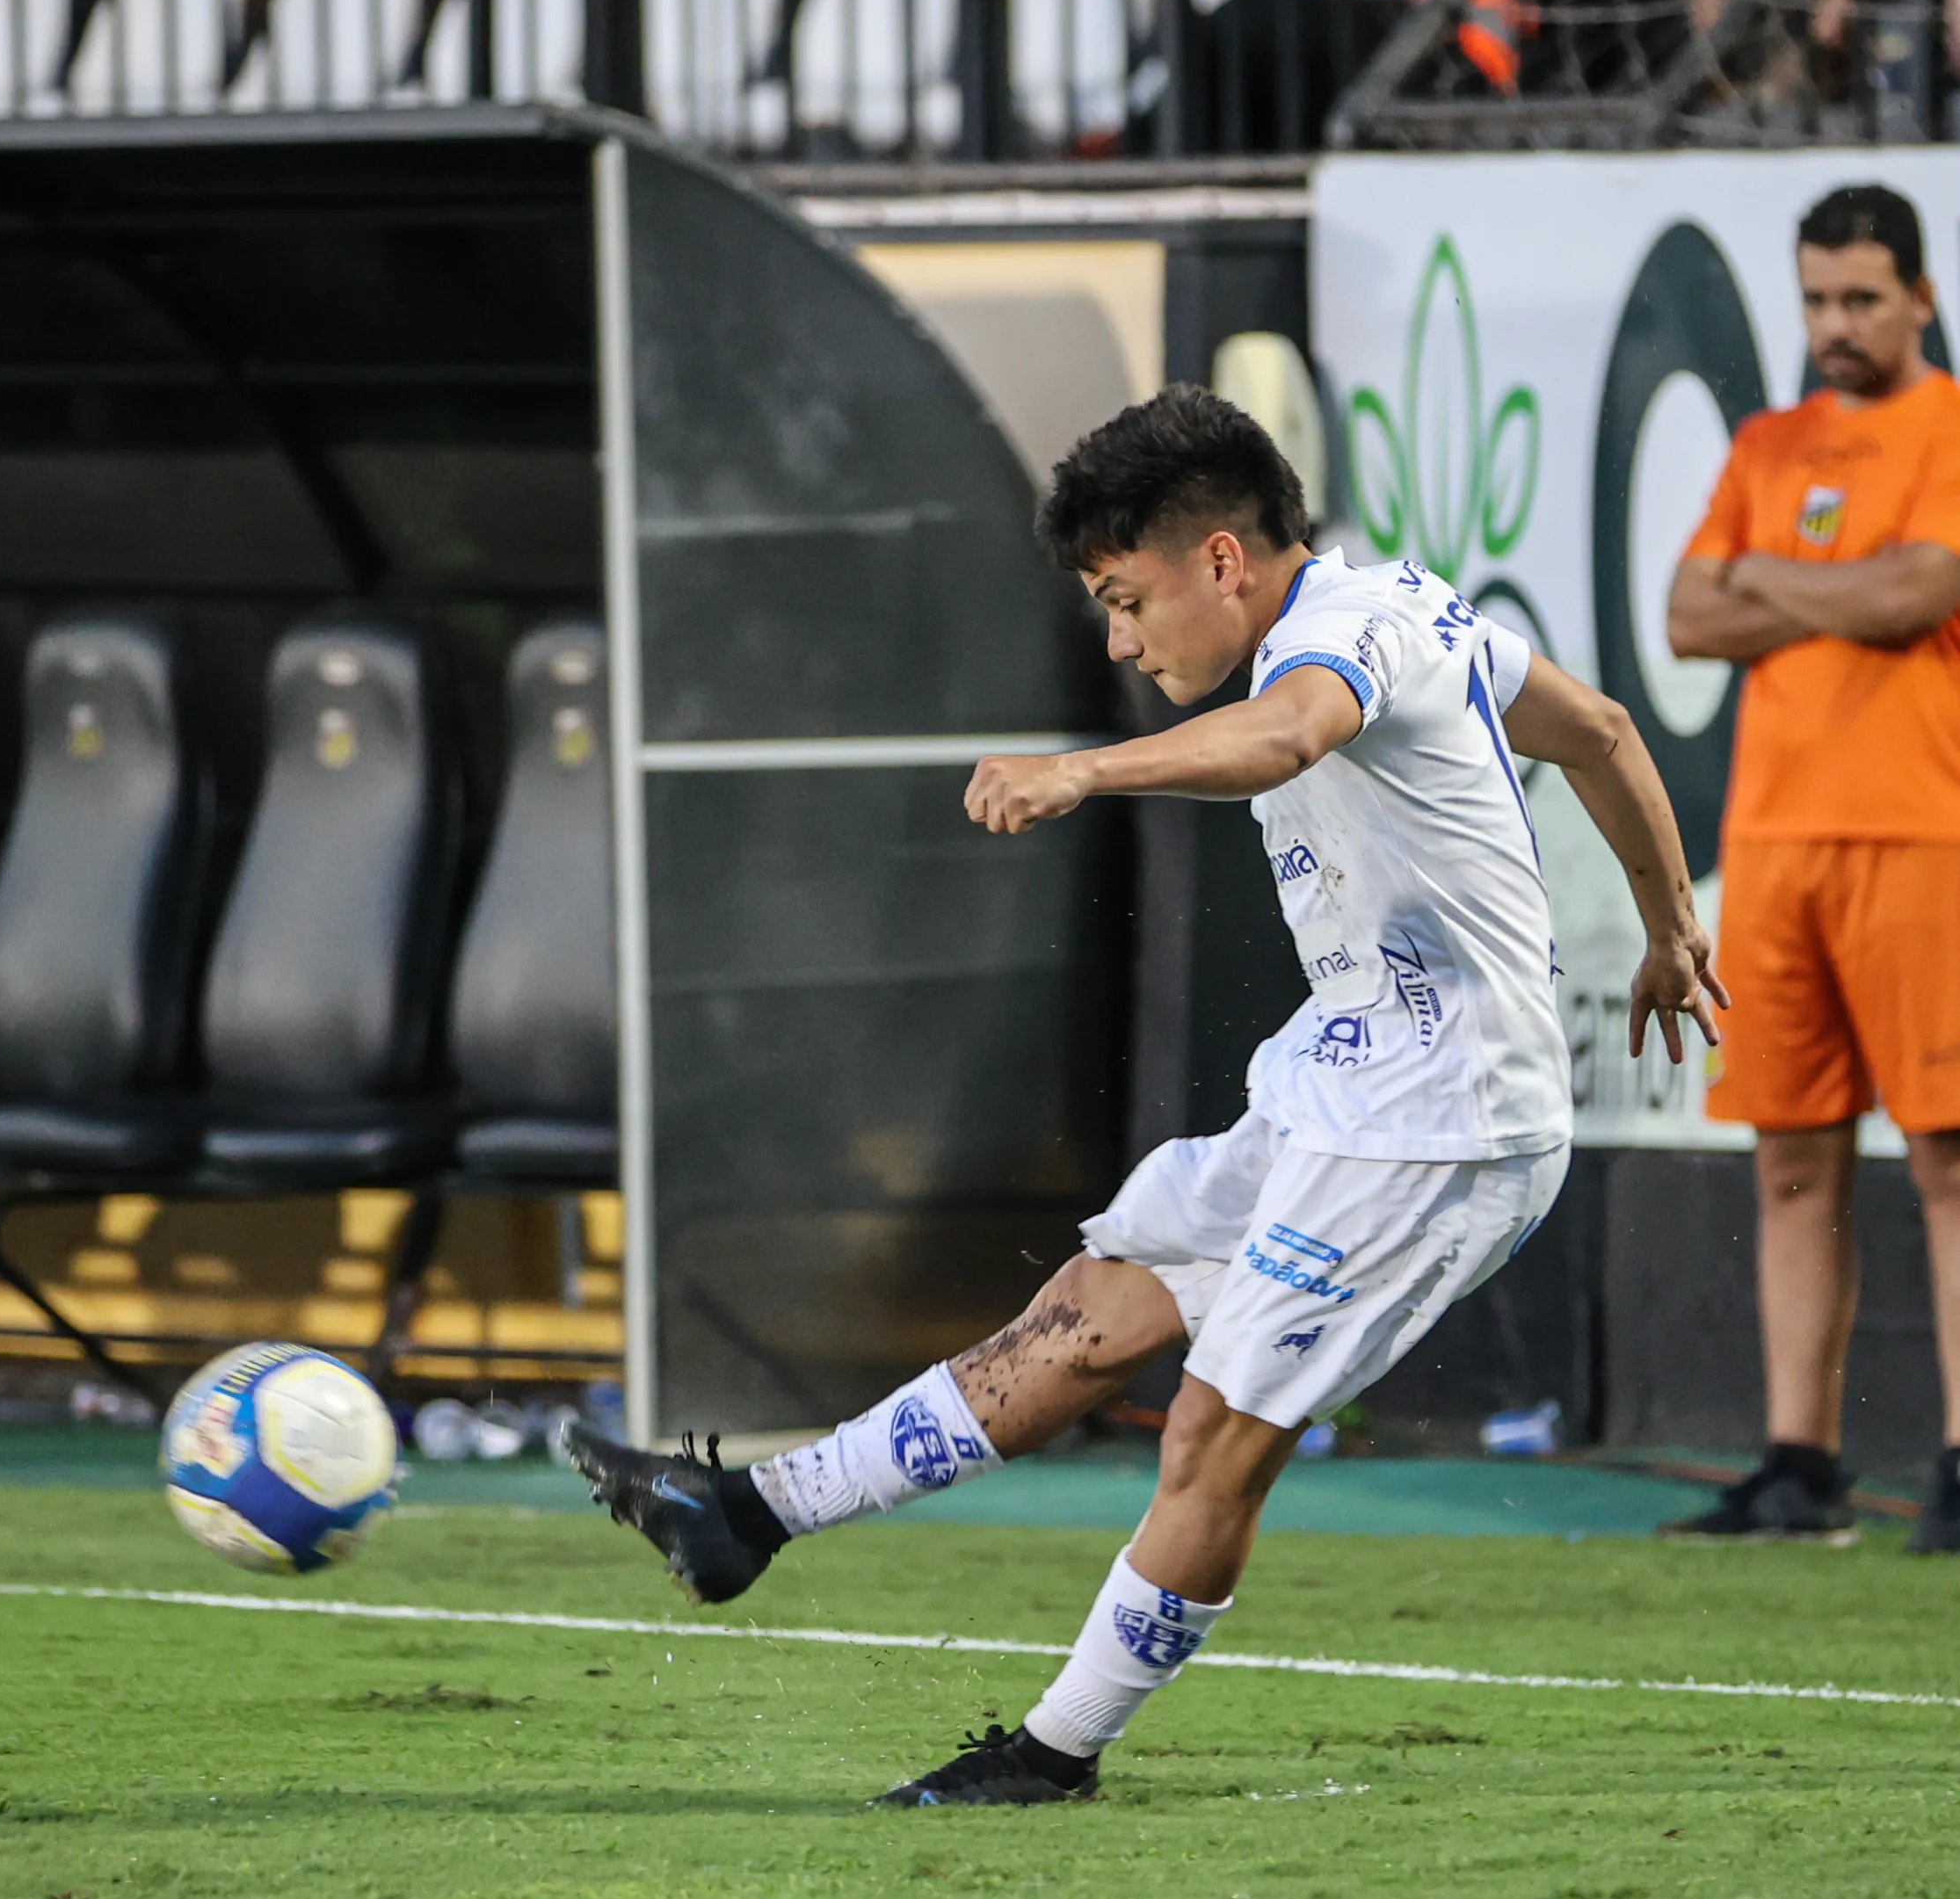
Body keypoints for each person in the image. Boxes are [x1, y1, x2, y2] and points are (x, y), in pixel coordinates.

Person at [563, 385, 1721, 1805]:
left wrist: (1082, 773)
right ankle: (745, 1513)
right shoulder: (1408, 605)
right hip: (1349, 1075)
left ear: (1222, 561)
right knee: (1092, 1315)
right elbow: (1598, 729)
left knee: (1210, 1434)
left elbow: (1288, 740)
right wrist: (1668, 931)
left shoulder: (1341, 640)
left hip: (1447, 1123)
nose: (1119, 638)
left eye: (1126, 598)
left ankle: (1054, 1756)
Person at [1665, 184, 1960, 1552]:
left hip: (1925, 832)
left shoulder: (1950, 426)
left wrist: (1769, 581)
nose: (1835, 325)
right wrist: (1837, 585)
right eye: (1817, 300)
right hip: (1773, 843)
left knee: (1951, 1159)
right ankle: (1800, 1464)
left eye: (1861, 298)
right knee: (1792, 1161)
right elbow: (1684, 614)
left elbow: (1920, 592)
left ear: (1922, 298)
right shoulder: (1770, 439)